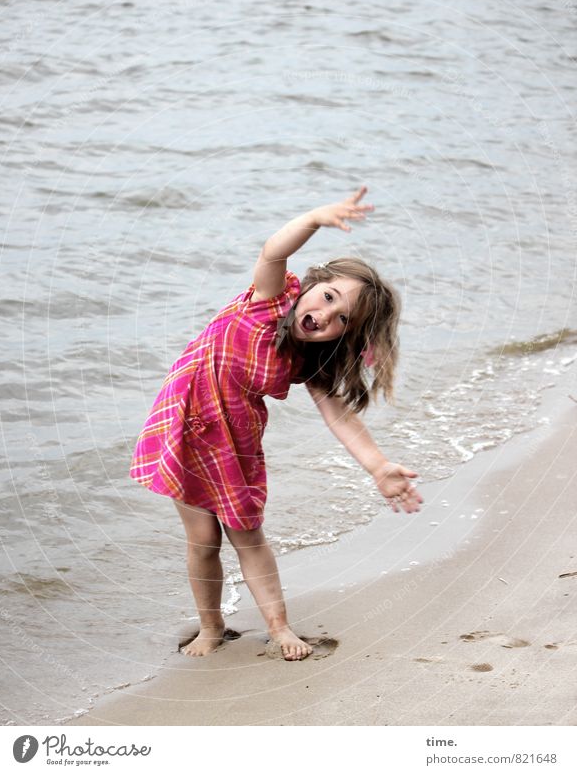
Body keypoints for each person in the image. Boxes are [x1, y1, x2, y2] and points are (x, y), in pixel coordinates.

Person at [130, 185, 422, 661]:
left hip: (234, 439)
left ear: (345, 333)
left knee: (246, 535)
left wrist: (378, 467)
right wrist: (315, 217)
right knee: (202, 540)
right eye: (326, 297)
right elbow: (273, 250)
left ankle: (279, 625)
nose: (323, 314)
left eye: (340, 318)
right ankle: (211, 628)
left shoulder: (312, 361)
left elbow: (339, 416)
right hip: (182, 425)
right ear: (311, 283)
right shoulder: (268, 299)